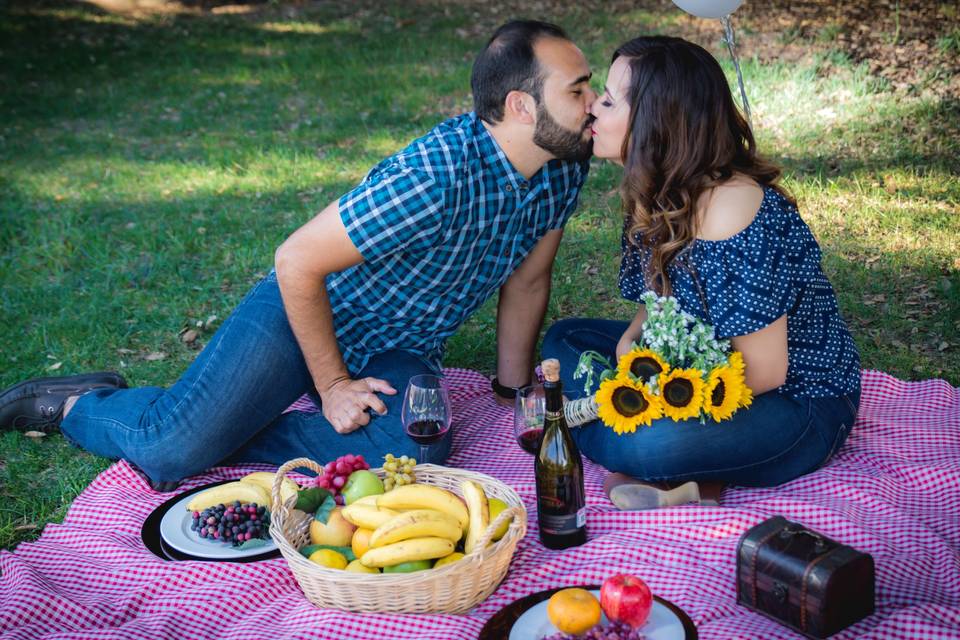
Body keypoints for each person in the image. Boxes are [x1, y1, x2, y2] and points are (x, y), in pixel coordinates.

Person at [0, 20, 596, 489]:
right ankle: (77, 404)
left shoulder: (563, 165)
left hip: (400, 348)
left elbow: (527, 280)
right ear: (521, 105)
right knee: (170, 448)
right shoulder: (435, 175)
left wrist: (510, 390)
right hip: (307, 310)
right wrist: (334, 385)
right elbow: (296, 261)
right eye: (578, 89)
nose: (593, 103)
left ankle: (229, 427)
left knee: (419, 444)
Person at [541, 35, 861, 509]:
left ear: (656, 120)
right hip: (702, 370)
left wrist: (655, 394)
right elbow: (657, 308)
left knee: (648, 443)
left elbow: (766, 371)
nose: (593, 110)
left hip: (798, 403)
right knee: (565, 340)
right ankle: (655, 456)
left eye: (609, 100)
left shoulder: (732, 212)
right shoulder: (659, 187)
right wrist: (632, 348)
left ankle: (604, 435)